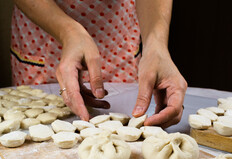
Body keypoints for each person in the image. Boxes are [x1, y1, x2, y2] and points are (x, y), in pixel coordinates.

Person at [11, 0, 187, 128]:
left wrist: (156, 44)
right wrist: (68, 31)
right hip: (44, 35)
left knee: (124, 122)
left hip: (118, 35)